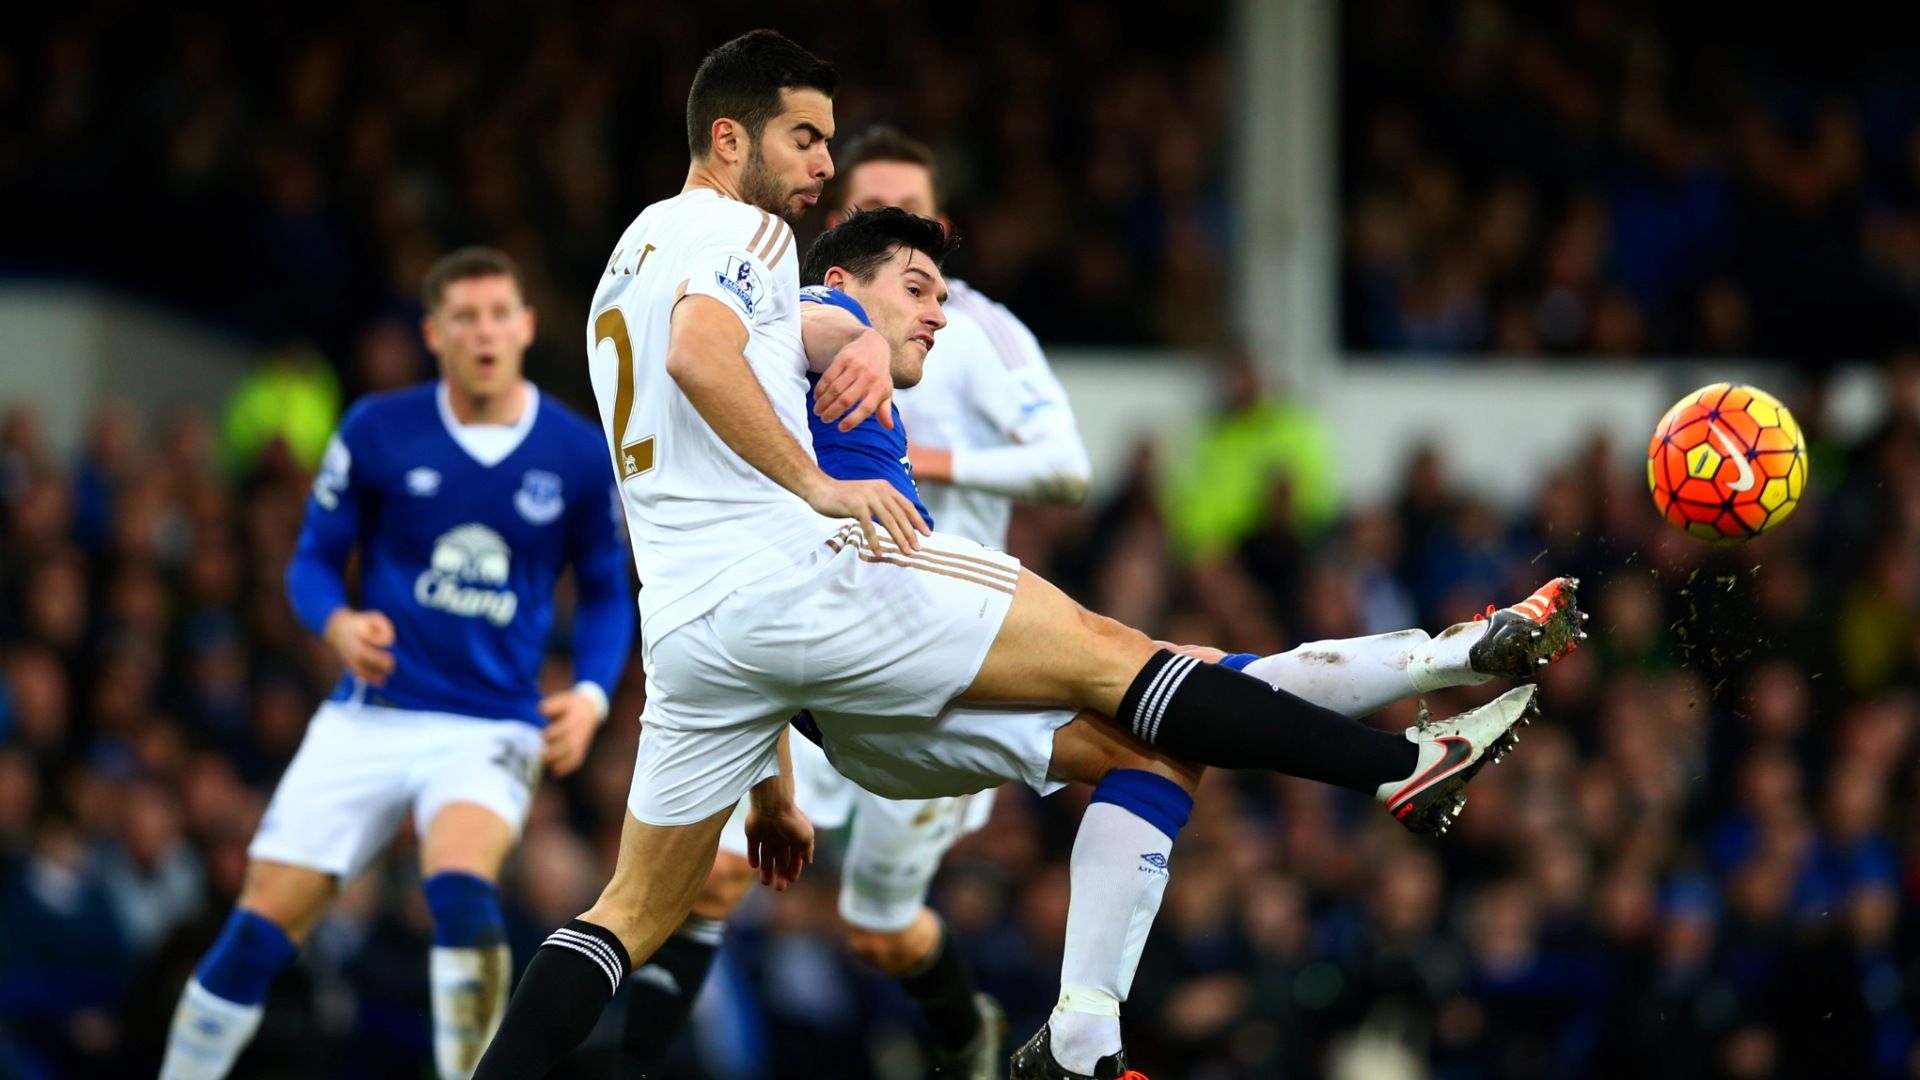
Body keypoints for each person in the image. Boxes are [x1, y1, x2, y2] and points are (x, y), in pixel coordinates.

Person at [475, 32, 1578, 1080]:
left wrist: (768, 787)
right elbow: (703, 353)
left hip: (695, 637)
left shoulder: (630, 258)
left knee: (627, 913)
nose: (822, 166)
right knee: (1128, 663)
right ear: (728, 137)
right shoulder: (747, 233)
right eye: (804, 138)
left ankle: (1084, 1035)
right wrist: (818, 484)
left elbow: (755, 342)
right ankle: (1398, 765)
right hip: (821, 584)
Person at [618, 126, 1094, 1079]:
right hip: (815, 616)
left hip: (938, 626)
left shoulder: (980, 332)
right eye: (873, 207)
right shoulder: (785, 310)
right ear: (845, 226)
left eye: (918, 213)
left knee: (879, 927)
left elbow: (1067, 471)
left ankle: (968, 1041)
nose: (900, 223)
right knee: (714, 873)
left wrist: (921, 453)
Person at [159, 247, 637, 1080]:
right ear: (434, 334)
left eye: (499, 315)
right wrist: (338, 624)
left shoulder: (575, 452)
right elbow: (312, 562)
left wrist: (593, 693)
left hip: (491, 723)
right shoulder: (377, 429)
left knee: (460, 887)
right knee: (260, 926)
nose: (484, 332)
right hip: (371, 712)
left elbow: (605, 591)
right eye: (465, 318)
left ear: (526, 326)